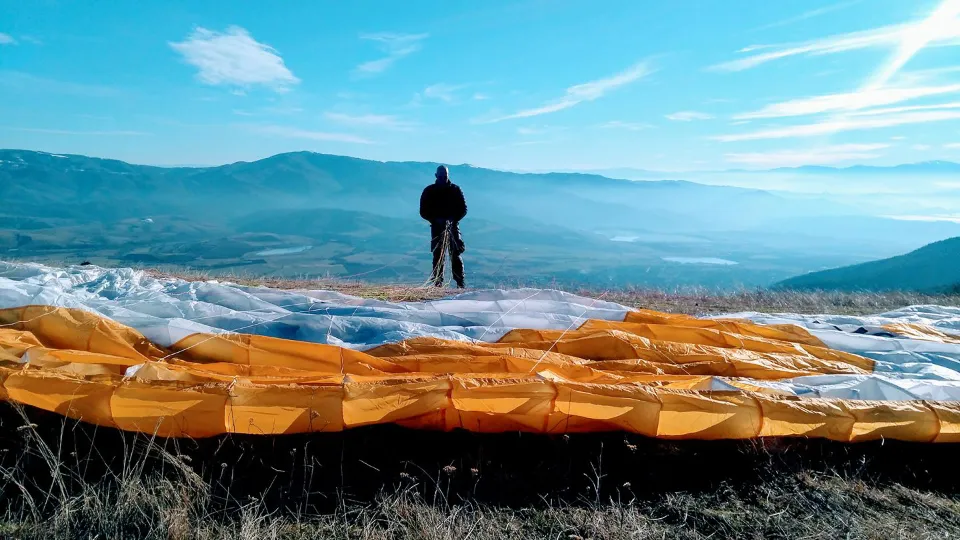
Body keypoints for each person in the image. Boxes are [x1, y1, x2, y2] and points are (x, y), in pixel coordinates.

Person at [419, 165, 467, 288]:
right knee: (437, 255)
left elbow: (463, 209)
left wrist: (452, 219)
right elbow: (423, 211)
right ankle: (438, 282)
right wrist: (435, 219)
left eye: (445, 176)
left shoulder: (456, 190)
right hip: (436, 227)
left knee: (455, 254)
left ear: (448, 176)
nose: (443, 178)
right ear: (436, 176)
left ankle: (460, 283)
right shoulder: (429, 191)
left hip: (453, 227)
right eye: (440, 176)